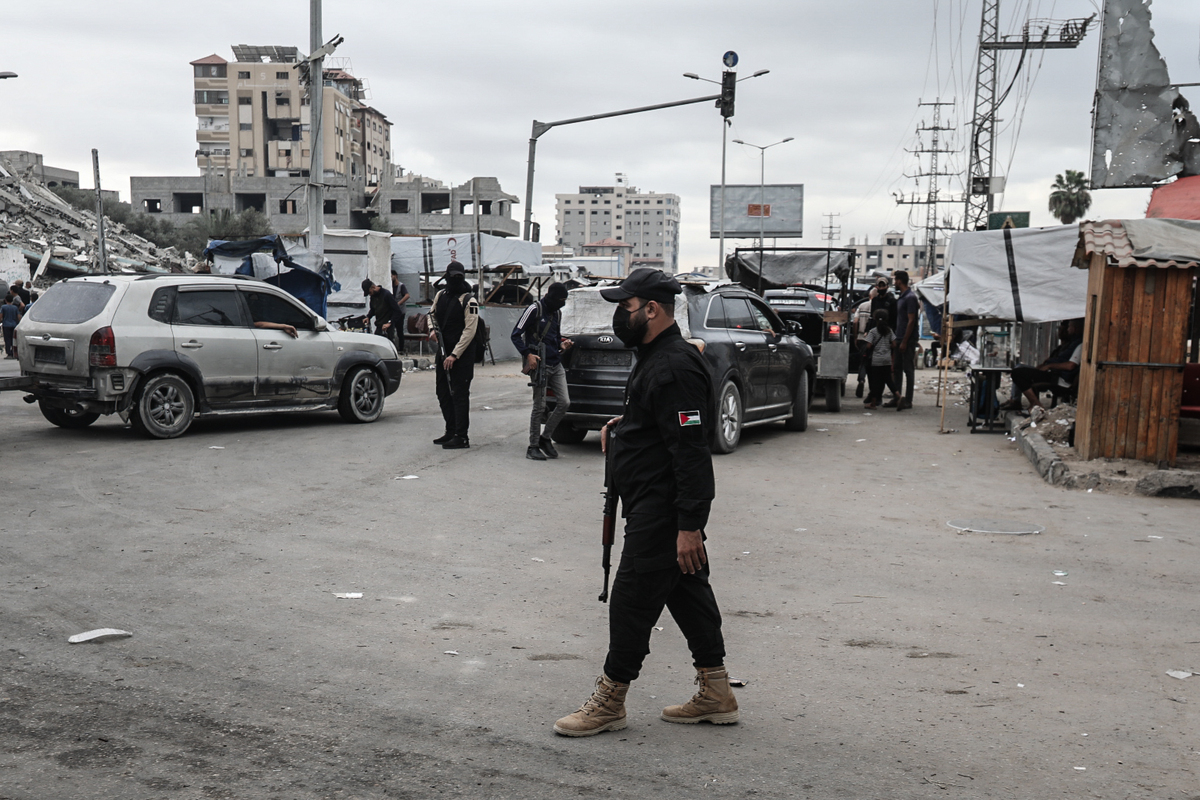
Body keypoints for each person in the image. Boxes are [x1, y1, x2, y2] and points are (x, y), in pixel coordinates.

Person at [554, 268, 736, 738]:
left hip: (663, 510)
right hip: (655, 503)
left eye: (625, 307)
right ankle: (716, 691)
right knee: (688, 592)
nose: (619, 316)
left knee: (631, 602)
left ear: (651, 309)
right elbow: (663, 424)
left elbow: (691, 450)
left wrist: (689, 526)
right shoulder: (656, 357)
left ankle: (610, 700)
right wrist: (628, 425)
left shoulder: (673, 365)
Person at [511, 282, 574, 461]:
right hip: (539, 364)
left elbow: (554, 338)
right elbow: (515, 334)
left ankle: (545, 438)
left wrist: (563, 344)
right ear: (551, 296)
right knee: (539, 406)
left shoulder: (557, 313)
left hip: (555, 363)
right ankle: (533, 446)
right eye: (560, 300)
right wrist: (528, 354)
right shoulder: (534, 309)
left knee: (564, 402)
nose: (562, 303)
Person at [428, 261, 479, 449]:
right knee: (442, 393)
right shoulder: (441, 295)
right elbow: (431, 314)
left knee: (459, 395)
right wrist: (432, 330)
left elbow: (469, 331)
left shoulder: (469, 300)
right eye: (453, 276)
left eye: (459, 276)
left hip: (461, 357)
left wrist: (455, 355)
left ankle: (461, 436)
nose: (455, 279)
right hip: (443, 352)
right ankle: (450, 430)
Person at [1002, 318, 1084, 411]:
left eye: (1069, 327)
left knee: (1017, 373)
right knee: (1019, 370)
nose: (1067, 329)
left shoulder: (1080, 345)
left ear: (1075, 328)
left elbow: (1070, 365)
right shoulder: (1069, 344)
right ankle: (1025, 402)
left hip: (1059, 378)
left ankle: (1036, 404)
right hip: (1054, 374)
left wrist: (1049, 366)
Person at [887, 270, 919, 411]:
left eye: (895, 280)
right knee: (897, 368)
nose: (894, 283)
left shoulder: (910, 298)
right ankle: (898, 397)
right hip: (900, 338)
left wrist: (905, 341)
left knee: (908, 369)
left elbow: (911, 321)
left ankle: (909, 400)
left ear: (899, 281)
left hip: (907, 339)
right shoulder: (902, 297)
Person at [861, 309, 896, 410]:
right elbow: (894, 344)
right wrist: (886, 346)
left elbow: (868, 345)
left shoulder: (873, 331)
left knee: (875, 382)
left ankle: (873, 403)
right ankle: (898, 396)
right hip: (887, 359)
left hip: (876, 360)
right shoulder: (889, 331)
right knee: (888, 379)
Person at [362, 279, 405, 350]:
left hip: (388, 327)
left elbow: (397, 311)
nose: (370, 294)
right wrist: (368, 317)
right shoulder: (373, 297)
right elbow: (373, 309)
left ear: (373, 287)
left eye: (370, 292)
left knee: (388, 348)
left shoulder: (386, 294)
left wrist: (390, 322)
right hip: (379, 325)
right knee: (376, 346)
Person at [390, 271, 411, 353]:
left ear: (395, 276)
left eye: (391, 276)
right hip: (393, 312)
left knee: (399, 331)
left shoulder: (401, 286)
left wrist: (398, 303)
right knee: (391, 330)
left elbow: (407, 295)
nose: (390, 278)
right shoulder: (390, 286)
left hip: (400, 312)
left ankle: (401, 348)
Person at [2, 293, 23, 359]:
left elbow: (1, 316)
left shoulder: (3, 307)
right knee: (13, 339)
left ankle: (9, 353)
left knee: (7, 339)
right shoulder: (15, 307)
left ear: (5, 300)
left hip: (6, 325)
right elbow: (18, 316)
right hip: (14, 324)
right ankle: (14, 352)